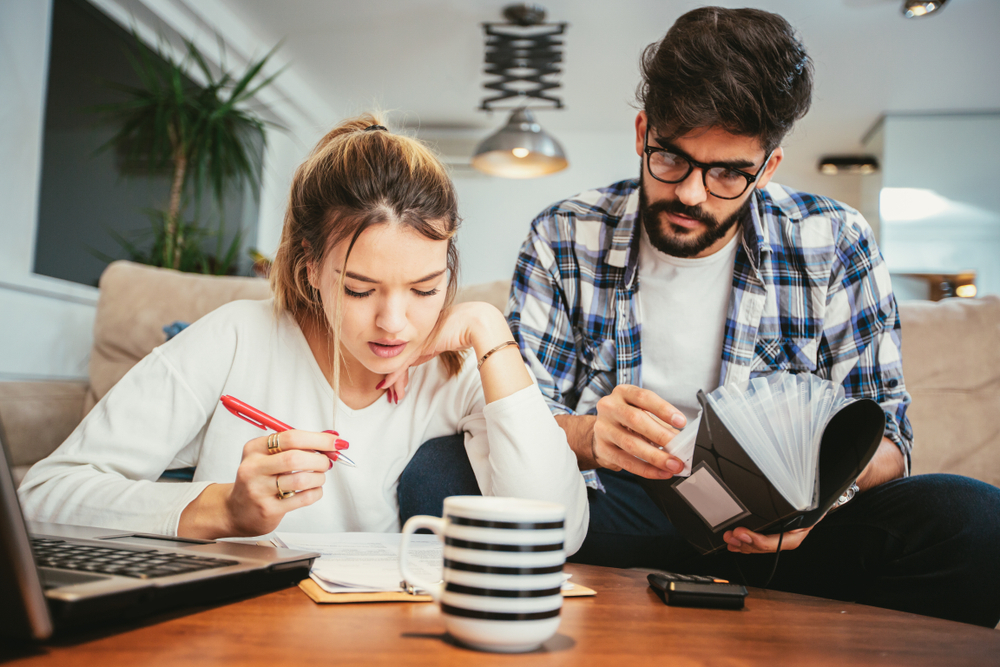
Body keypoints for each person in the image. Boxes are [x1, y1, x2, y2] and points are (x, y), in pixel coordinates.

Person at [506, 7, 1000, 626]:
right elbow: (519, 418)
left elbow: (890, 437)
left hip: (790, 535)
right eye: (672, 159)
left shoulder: (835, 239)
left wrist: (816, 501)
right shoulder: (564, 234)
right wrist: (585, 438)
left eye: (728, 174)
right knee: (437, 475)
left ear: (767, 167)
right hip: (620, 512)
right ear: (641, 132)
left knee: (977, 524)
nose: (690, 193)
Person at [18, 115, 588, 553]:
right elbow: (42, 496)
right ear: (310, 267)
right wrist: (223, 510)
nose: (394, 323)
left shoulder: (459, 368)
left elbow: (555, 532)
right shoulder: (237, 337)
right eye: (360, 290)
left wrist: (491, 331)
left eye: (424, 288)